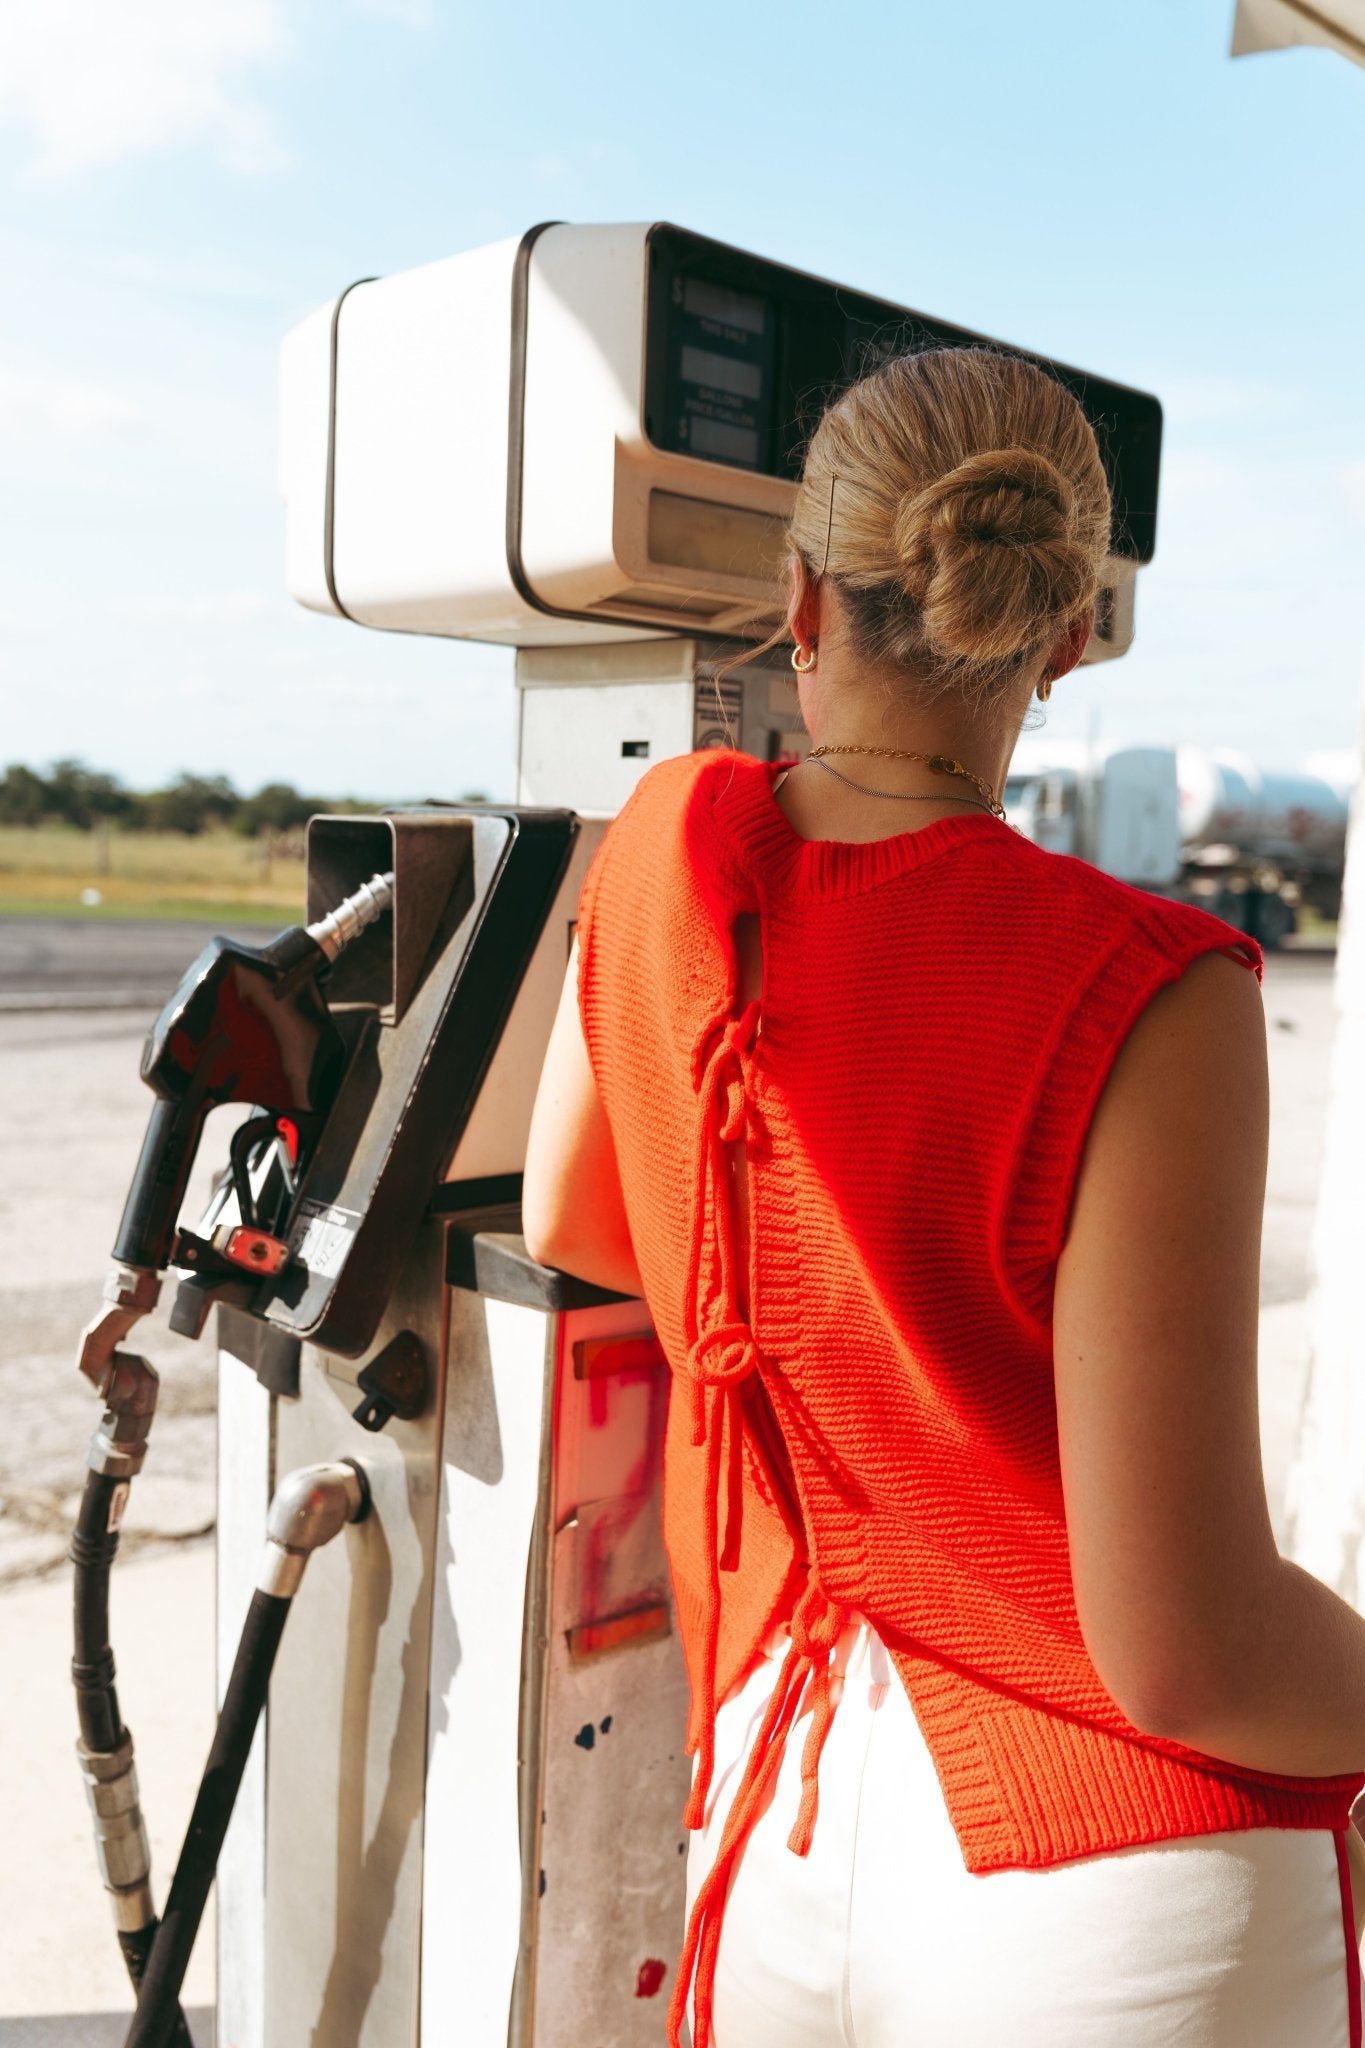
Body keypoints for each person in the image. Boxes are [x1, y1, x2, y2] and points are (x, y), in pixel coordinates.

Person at [521, 345, 1365, 2047]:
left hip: (785, 1804)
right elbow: (1183, 1655)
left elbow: (584, 1222)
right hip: (1109, 1886)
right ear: (1060, 638)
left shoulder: (665, 845)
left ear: (795, 601)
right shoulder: (1152, 981)